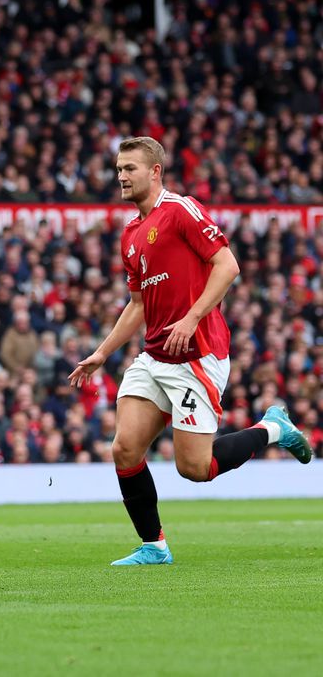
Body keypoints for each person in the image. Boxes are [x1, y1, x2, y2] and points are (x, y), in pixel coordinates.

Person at [69, 136, 312, 566]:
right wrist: (102, 353)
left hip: (197, 355)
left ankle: (273, 428)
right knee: (125, 448)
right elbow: (138, 305)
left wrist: (193, 317)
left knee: (195, 469)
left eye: (130, 168)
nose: (122, 176)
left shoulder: (180, 210)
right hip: (155, 356)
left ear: (155, 171)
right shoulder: (130, 233)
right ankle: (154, 546)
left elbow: (228, 265)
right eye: (119, 169)